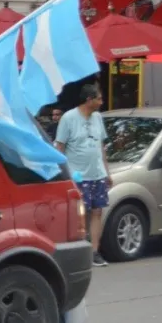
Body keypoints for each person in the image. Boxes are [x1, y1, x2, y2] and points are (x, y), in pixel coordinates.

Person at [55, 84, 112, 267]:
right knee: (79, 214)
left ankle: (94, 251)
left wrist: (107, 172)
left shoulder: (97, 118)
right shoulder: (69, 118)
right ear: (89, 100)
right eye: (99, 99)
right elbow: (60, 147)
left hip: (97, 174)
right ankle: (77, 252)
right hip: (78, 176)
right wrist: (62, 175)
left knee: (97, 211)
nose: (101, 102)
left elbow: (100, 146)